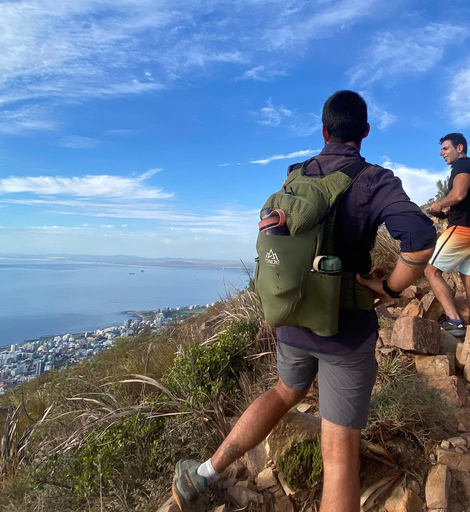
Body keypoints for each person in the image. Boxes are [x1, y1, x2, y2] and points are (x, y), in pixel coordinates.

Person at [171, 90, 436, 512]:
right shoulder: (373, 180)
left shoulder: (294, 175)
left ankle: (202, 474)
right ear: (365, 132)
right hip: (344, 332)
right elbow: (421, 241)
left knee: (284, 392)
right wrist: (390, 288)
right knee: (339, 456)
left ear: (324, 130)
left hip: (291, 317)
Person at [425, 133, 470, 337]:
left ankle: (455, 321)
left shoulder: (461, 165)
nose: (441, 153)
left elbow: (459, 194)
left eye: (445, 148)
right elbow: (467, 201)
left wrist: (439, 203)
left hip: (462, 230)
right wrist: (445, 213)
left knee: (430, 271)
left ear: (459, 148)